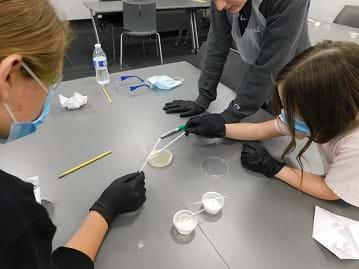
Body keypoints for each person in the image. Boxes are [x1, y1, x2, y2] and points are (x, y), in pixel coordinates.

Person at [0, 1, 146, 268]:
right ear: (9, 75)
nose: (49, 97)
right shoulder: (11, 215)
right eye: (49, 84)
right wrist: (106, 208)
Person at [185, 41, 359, 207]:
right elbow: (260, 129)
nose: (287, 116)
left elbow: (330, 190)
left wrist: (273, 168)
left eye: (295, 112)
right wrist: (220, 128)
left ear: (330, 111)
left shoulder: (354, 144)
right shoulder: (322, 115)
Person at [164, 0, 311, 123]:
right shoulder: (222, 2)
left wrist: (229, 116)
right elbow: (217, 43)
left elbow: (273, 64)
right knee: (253, 122)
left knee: (283, 134)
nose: (220, 6)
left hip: (293, 78)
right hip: (255, 69)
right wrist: (203, 97)